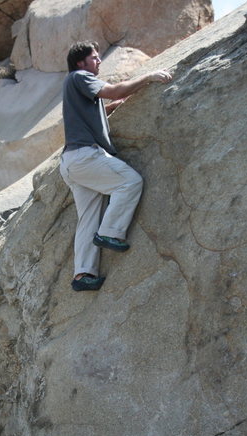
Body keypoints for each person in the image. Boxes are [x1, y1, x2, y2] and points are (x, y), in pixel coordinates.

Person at [60, 41, 172, 291]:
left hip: (71, 164)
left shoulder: (74, 87)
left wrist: (112, 108)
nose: (99, 61)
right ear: (81, 63)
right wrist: (149, 77)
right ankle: (110, 232)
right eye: (95, 58)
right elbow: (113, 91)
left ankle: (83, 275)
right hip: (84, 157)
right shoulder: (80, 77)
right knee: (130, 182)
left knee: (88, 217)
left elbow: (98, 108)